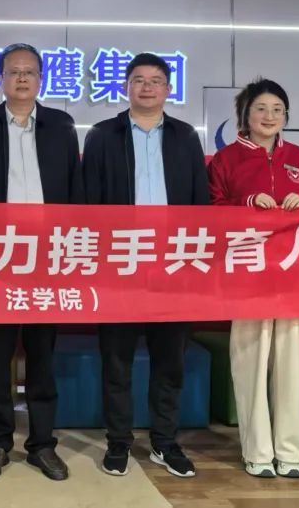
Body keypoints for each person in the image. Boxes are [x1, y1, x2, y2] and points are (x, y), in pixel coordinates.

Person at [0, 43, 83, 482]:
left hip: (48, 255)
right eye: (14, 71)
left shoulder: (61, 126)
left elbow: (75, 191)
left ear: (41, 79)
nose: (22, 78)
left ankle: (42, 444)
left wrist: (71, 248)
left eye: (30, 72)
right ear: (1, 79)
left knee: (42, 353)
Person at [81, 52, 208, 479]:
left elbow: (200, 203)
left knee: (169, 360)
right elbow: (88, 203)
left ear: (168, 89)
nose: (147, 87)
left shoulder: (186, 137)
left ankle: (164, 443)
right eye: (139, 80)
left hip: (173, 263)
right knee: (116, 360)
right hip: (119, 262)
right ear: (126, 87)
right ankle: (118, 442)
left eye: (156, 80)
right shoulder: (103, 135)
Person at [208, 78, 299, 478]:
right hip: (248, 275)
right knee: (251, 363)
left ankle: (290, 452)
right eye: (260, 108)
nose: (269, 116)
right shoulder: (226, 160)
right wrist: (246, 203)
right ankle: (257, 451)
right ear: (246, 114)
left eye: (277, 109)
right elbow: (211, 209)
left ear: (286, 116)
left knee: (290, 364)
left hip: (293, 276)